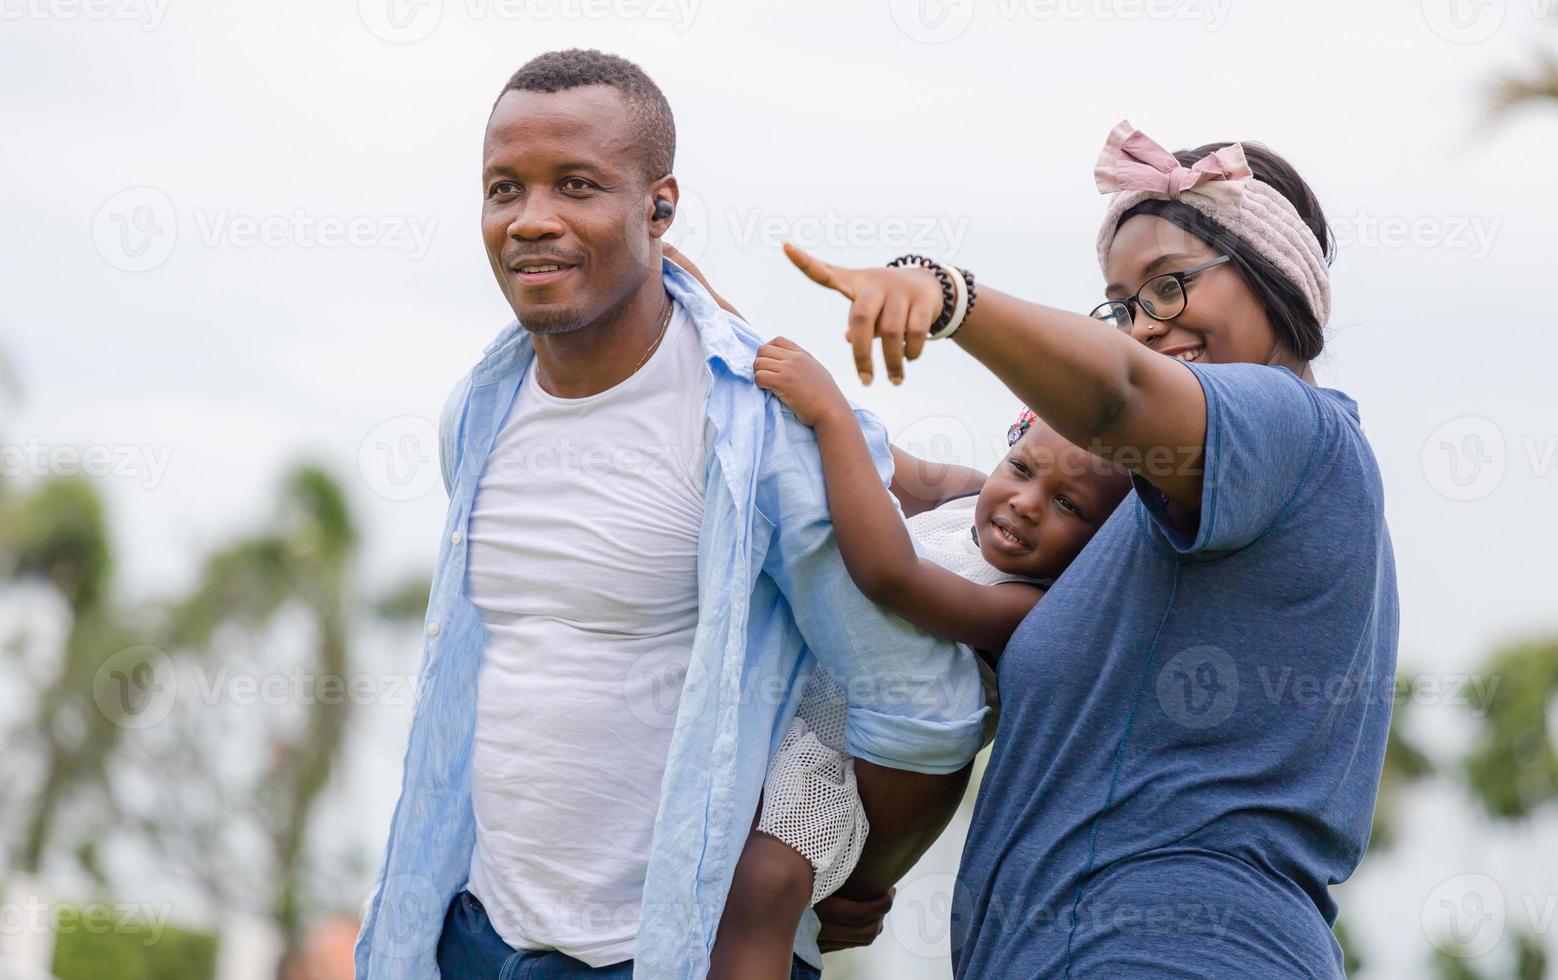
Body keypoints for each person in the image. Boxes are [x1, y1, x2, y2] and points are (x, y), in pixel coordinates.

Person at [352, 49, 989, 980]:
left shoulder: (758, 429)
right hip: (473, 936)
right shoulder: (478, 410)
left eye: (576, 186)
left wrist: (850, 870)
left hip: (663, 956)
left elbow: (920, 699)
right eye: (504, 189)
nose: (532, 221)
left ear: (659, 206)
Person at [779, 120, 1399, 977]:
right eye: (1122, 304)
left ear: (1276, 281)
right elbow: (924, 499)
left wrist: (948, 294)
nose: (1143, 327)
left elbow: (1116, 390)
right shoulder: (1123, 521)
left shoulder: (1292, 423)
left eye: (1170, 286)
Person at [702, 332, 1131, 979]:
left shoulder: (1029, 607)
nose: (1025, 501)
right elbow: (870, 459)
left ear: (1100, 548)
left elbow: (893, 576)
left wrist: (827, 410)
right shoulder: (962, 493)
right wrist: (728, 324)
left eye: (1068, 504)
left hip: (857, 759)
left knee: (768, 880)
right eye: (1021, 469)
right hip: (808, 705)